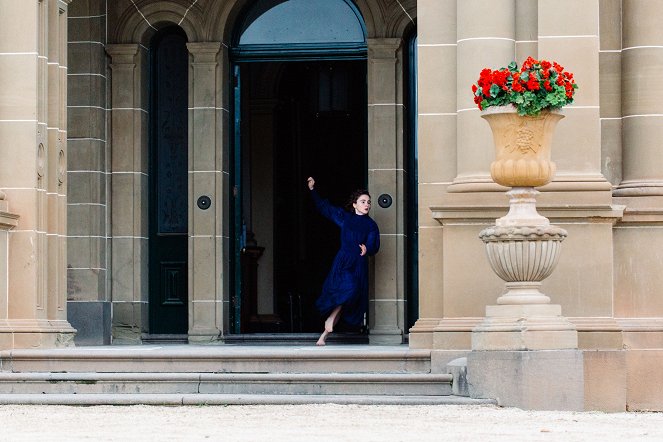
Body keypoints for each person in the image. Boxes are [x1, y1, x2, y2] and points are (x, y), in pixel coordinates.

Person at [307, 176, 380, 346]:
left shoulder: (371, 225)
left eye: (368, 202)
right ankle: (329, 324)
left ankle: (324, 334)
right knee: (345, 291)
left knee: (349, 295)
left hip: (358, 264)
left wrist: (367, 249)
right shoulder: (345, 218)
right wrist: (312, 190)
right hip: (343, 262)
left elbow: (374, 244)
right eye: (363, 201)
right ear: (354, 204)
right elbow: (325, 208)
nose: (367, 204)